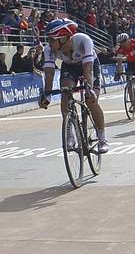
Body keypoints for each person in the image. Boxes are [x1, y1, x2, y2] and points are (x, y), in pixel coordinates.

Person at [37, 18, 109, 153]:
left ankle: (102, 138)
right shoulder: (49, 50)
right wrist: (47, 95)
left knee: (91, 100)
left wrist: (90, 89)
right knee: (65, 91)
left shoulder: (83, 41)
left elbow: (88, 70)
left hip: (89, 64)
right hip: (69, 67)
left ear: (63, 38)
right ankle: (69, 132)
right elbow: (49, 74)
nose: (49, 43)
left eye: (52, 39)